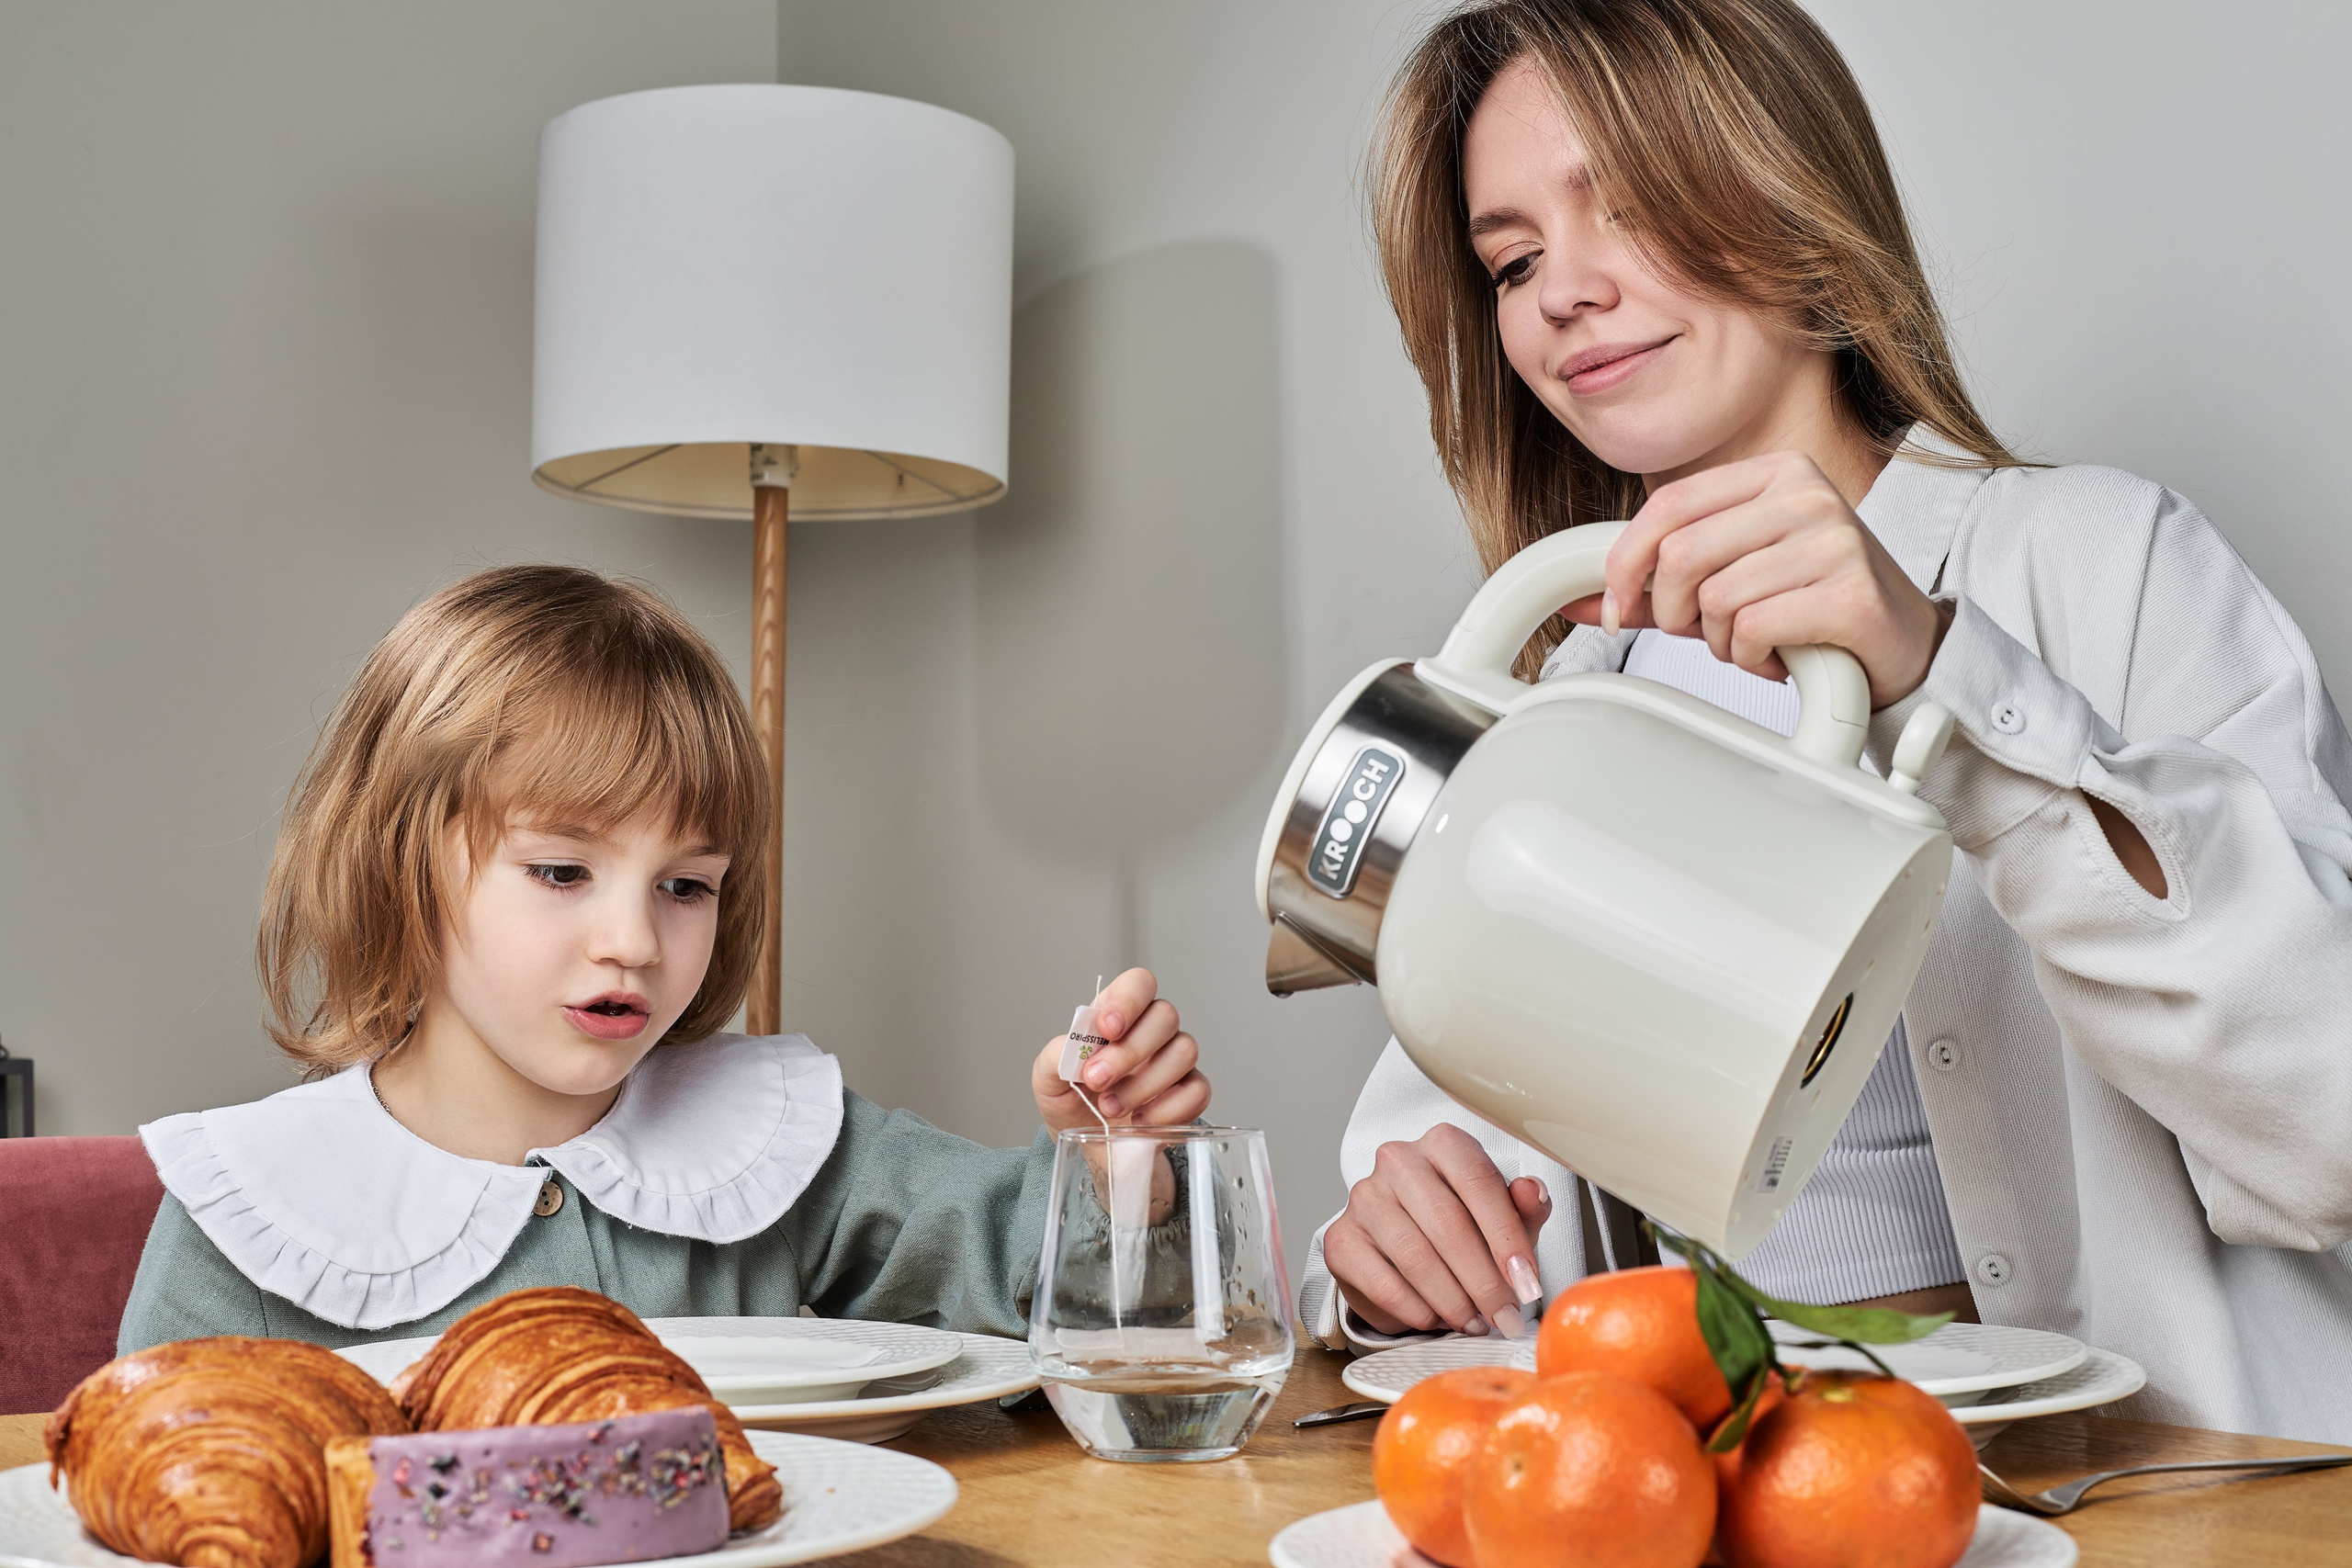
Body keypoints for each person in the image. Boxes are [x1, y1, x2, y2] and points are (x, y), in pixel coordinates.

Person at [1298, 0, 2352, 1444]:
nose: (1560, 295)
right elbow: (1443, 1174)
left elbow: (2331, 1116)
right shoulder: (1560, 699)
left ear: (1788, 192)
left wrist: (1944, 684)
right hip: (1708, 1495)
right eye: (1516, 260)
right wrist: (1396, 1251)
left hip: (2143, 1497)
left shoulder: (2106, 564)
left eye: (1624, 207)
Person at [119, 565, 1208, 1350]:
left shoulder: (770, 1143)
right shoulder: (258, 1210)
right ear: (397, 865)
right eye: (560, 872)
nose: (634, 942)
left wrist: (1111, 1173)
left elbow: (1025, 1285)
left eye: (686, 887)